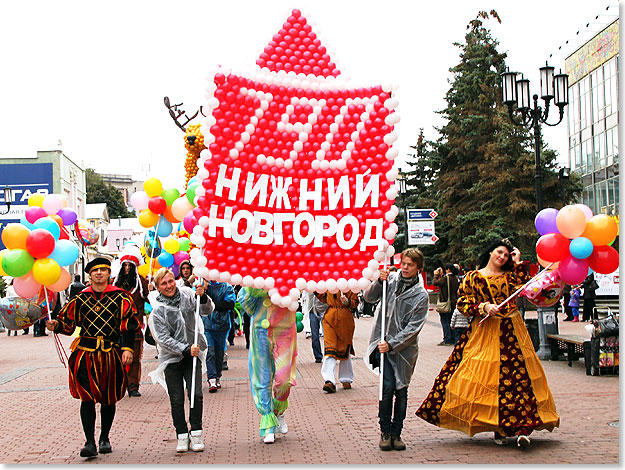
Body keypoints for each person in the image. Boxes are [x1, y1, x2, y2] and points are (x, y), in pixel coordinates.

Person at [416, 238, 560, 449]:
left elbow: (525, 289)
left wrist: (518, 262)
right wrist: (483, 307)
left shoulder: (510, 276)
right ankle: (497, 426)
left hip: (512, 331)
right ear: (490, 252)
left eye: (505, 255)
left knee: (518, 378)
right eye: (499, 252)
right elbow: (462, 302)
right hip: (485, 332)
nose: (502, 257)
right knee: (488, 378)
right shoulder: (473, 277)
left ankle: (521, 427)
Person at [46, 257, 140, 458]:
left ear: (109, 274)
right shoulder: (80, 299)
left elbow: (129, 325)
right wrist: (57, 326)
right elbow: (68, 323)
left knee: (108, 398)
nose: (99, 273)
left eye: (103, 270)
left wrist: (127, 349)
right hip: (85, 355)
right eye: (95, 270)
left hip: (111, 353)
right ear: (90, 275)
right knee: (86, 398)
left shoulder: (121, 298)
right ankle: (89, 441)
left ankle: (104, 437)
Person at [364, 247, 429, 451]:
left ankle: (396, 433)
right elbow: (369, 298)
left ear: (419, 267)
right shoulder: (390, 281)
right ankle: (384, 431)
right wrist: (379, 281)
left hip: (404, 351)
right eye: (404, 264)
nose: (405, 268)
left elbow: (413, 328)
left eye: (410, 265)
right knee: (387, 387)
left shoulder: (421, 295)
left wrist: (393, 343)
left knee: (401, 390)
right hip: (382, 346)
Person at [148, 267, 214, 453]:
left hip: (194, 355)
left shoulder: (187, 294)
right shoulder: (158, 311)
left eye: (170, 281)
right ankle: (182, 435)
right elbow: (162, 338)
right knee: (176, 399)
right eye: (164, 284)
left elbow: (206, 310)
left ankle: (197, 433)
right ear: (158, 287)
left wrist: (203, 296)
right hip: (172, 360)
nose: (169, 286)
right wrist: (184, 349)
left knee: (196, 395)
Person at [238, 286, 297, 444]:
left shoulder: (290, 271)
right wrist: (255, 290)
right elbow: (247, 307)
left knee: (284, 380)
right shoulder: (256, 274)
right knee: (262, 377)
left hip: (285, 328)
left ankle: (278, 412)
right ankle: (268, 423)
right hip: (260, 329)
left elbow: (296, 297)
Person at [113, 245, 150, 397]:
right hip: (116, 328)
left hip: (135, 328)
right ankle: (119, 385)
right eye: (125, 265)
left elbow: (153, 300)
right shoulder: (114, 284)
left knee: (134, 359)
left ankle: (133, 386)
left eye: (130, 265)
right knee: (116, 358)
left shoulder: (142, 283)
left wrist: (152, 290)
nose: (127, 268)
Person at [316, 290, 358, 393]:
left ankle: (346, 378)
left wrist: (347, 302)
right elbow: (323, 298)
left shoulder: (349, 283)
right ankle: (329, 380)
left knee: (345, 347)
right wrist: (316, 290)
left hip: (345, 318)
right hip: (330, 317)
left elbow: (355, 302)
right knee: (330, 348)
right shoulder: (329, 281)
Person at [202, 280, 236, 392]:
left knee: (219, 353)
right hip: (207, 325)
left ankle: (217, 376)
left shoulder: (227, 287)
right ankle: (211, 378)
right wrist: (203, 291)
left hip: (222, 325)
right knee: (210, 351)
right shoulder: (203, 285)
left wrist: (209, 299)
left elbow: (229, 304)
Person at [432, 264, 459, 345]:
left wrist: (436, 275)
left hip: (445, 302)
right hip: (453, 302)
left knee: (445, 321)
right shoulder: (455, 278)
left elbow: (435, 283)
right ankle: (453, 337)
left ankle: (447, 339)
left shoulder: (446, 278)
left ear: (448, 270)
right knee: (452, 320)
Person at [309, 292, 328, 363]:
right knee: (315, 336)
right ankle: (318, 356)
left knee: (327, 335)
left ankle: (329, 355)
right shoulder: (311, 285)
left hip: (326, 310)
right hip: (313, 310)